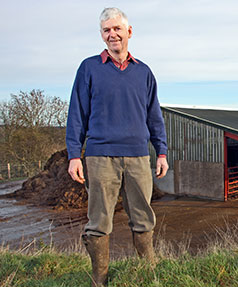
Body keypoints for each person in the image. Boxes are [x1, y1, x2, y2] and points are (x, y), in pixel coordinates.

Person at [66, 7, 168, 286]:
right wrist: (75, 155)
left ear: (129, 32)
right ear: (102, 35)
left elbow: (153, 115)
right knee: (99, 220)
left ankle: (147, 274)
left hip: (137, 155)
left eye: (117, 29)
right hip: (100, 156)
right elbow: (77, 114)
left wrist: (161, 151)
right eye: (106, 30)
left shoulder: (143, 72)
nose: (112, 34)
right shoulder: (89, 68)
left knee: (143, 216)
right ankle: (100, 279)